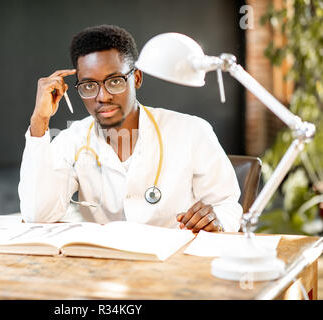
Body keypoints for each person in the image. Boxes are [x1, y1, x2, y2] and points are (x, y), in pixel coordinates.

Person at [18, 24, 243, 232]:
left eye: (114, 81)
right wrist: (39, 121)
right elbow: (38, 215)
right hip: (103, 267)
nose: (102, 96)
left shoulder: (192, 131)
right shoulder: (71, 140)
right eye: (89, 85)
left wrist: (217, 220)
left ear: (136, 78)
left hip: (174, 265)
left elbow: (227, 207)